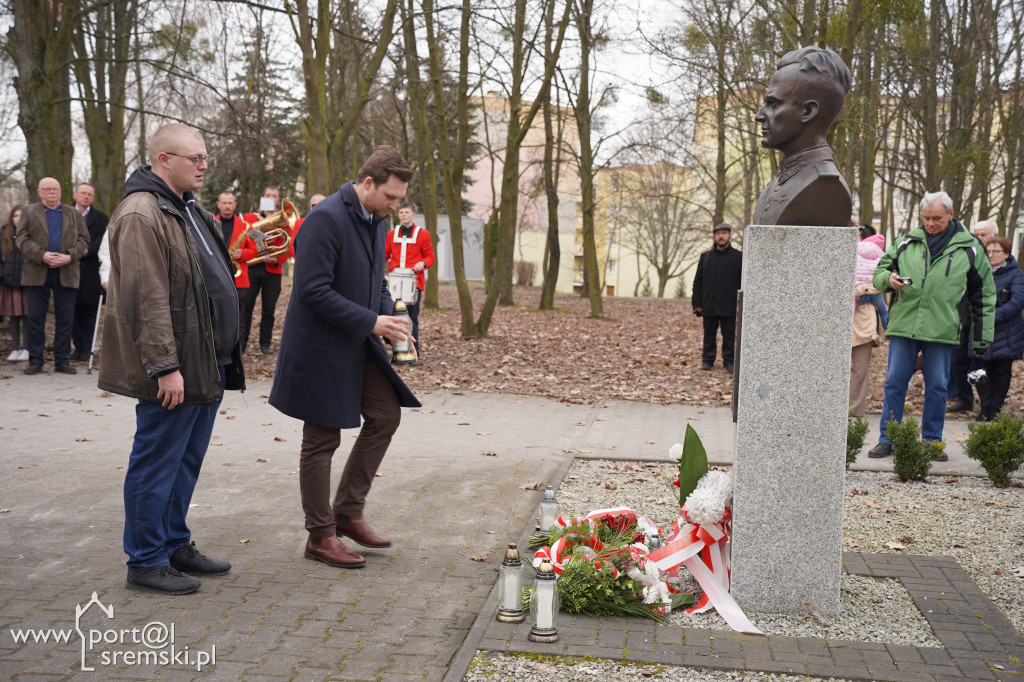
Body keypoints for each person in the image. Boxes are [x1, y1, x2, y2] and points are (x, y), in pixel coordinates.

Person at [98, 123, 245, 595]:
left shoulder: (187, 207)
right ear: (163, 159)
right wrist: (165, 367)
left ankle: (174, 544)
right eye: (194, 158)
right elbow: (146, 300)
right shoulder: (142, 213)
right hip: (175, 367)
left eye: (205, 158)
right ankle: (145, 560)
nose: (203, 166)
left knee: (185, 461)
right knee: (156, 462)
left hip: (208, 360)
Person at [269, 146, 420, 569]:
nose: (394, 206)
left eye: (399, 199)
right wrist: (372, 322)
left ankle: (347, 514)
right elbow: (312, 291)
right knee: (322, 439)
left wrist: (390, 319)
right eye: (390, 196)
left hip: (357, 341)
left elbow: (378, 281)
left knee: (385, 415)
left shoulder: (375, 218)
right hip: (320, 348)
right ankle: (320, 535)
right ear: (368, 183)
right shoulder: (325, 219)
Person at [867, 191, 994, 462]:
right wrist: (888, 279)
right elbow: (878, 273)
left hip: (942, 329)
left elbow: (983, 295)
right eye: (926, 218)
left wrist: (981, 339)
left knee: (937, 387)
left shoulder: (971, 247)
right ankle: (888, 439)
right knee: (894, 384)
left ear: (951, 214)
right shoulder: (906, 241)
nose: (930, 223)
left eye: (937, 218)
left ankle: (931, 441)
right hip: (904, 326)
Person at [752, 46, 853, 227]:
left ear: (808, 111)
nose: (759, 116)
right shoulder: (772, 189)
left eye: (773, 104)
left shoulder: (826, 187)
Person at [15, 177, 90, 375]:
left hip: (66, 271)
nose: (51, 192)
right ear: (39, 192)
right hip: (36, 271)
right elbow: (21, 238)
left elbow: (84, 239)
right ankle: (36, 361)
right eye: (47, 188)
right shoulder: (29, 211)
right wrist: (41, 255)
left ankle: (62, 361)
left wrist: (69, 256)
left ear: (60, 192)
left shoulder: (73, 213)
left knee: (65, 319)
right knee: (35, 319)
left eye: (55, 188)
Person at [947, 221, 999, 413]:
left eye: (983, 235)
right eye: (976, 234)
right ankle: (965, 398)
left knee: (982, 366)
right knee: (958, 363)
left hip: (990, 324)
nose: (978, 238)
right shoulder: (968, 257)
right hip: (965, 320)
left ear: (995, 236)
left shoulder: (1003, 263)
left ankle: (988, 405)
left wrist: (991, 317)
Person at [974, 236, 1024, 421]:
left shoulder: (1016, 274)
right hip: (979, 329)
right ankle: (984, 407)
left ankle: (996, 409)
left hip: (1007, 331)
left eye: (996, 251)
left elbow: (1017, 301)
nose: (991, 255)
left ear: (1007, 254)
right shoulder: (978, 271)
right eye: (988, 251)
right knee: (979, 369)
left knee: (1001, 372)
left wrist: (991, 318)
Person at [240, 186, 292, 354]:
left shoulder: (284, 220)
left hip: (272, 270)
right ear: (263, 197)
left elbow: (289, 244)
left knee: (269, 310)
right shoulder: (250, 217)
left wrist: (277, 259)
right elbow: (245, 236)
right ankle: (241, 343)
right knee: (246, 307)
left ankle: (265, 343)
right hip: (253, 268)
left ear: (278, 200)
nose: (270, 197)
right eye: (267, 195)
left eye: (274, 196)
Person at [385, 201, 434, 362]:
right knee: (393, 317)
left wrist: (423, 263)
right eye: (401, 212)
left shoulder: (423, 234)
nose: (404, 215)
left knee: (411, 319)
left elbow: (430, 257)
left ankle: (413, 353)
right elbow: (384, 254)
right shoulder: (391, 234)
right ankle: (397, 350)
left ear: (413, 215)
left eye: (407, 212)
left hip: (413, 282)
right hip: (394, 281)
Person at [691, 223, 742, 372]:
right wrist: (696, 303)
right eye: (718, 234)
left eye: (724, 233)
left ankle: (729, 362)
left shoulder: (739, 257)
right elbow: (698, 281)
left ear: (730, 236)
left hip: (730, 305)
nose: (721, 236)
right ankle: (707, 361)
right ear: (714, 237)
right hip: (709, 304)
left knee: (729, 337)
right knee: (709, 335)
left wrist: (741, 304)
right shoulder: (706, 257)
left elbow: (743, 282)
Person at [71, 182, 110, 361]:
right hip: (69, 268)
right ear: (75, 195)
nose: (86, 196)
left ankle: (87, 348)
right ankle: (77, 346)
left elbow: (102, 241)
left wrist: (86, 251)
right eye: (83, 193)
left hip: (91, 271)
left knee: (90, 312)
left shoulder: (101, 218)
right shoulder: (65, 213)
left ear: (93, 198)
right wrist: (73, 252)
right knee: (72, 311)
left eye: (89, 194)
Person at [1, 205, 28, 361]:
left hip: (27, 283)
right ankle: (16, 348)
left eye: (21, 216)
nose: (18, 219)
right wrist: (3, 275)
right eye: (16, 216)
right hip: (10, 283)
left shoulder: (30, 234)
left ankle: (27, 349)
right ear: (11, 218)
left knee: (27, 317)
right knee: (14, 317)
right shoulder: (4, 234)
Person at [215, 191, 257, 290]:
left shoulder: (246, 226)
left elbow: (254, 251)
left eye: (230, 203)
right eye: (224, 203)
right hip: (216, 277)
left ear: (235, 205)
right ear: (218, 204)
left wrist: (242, 254)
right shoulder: (209, 223)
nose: (227, 206)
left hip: (239, 280)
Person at [855, 225, 888, 328]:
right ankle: (888, 332)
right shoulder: (879, 252)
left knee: (848, 312)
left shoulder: (855, 249)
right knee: (884, 313)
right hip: (875, 291)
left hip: (859, 292)